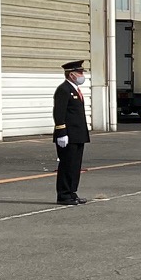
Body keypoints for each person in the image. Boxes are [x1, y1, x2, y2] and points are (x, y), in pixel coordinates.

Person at [51, 59, 91, 204]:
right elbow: (59, 112)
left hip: (78, 135)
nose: (82, 75)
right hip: (68, 135)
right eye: (79, 72)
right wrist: (61, 132)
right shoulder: (64, 89)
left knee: (75, 166)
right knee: (67, 165)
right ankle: (63, 195)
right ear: (72, 75)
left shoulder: (75, 90)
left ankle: (72, 192)